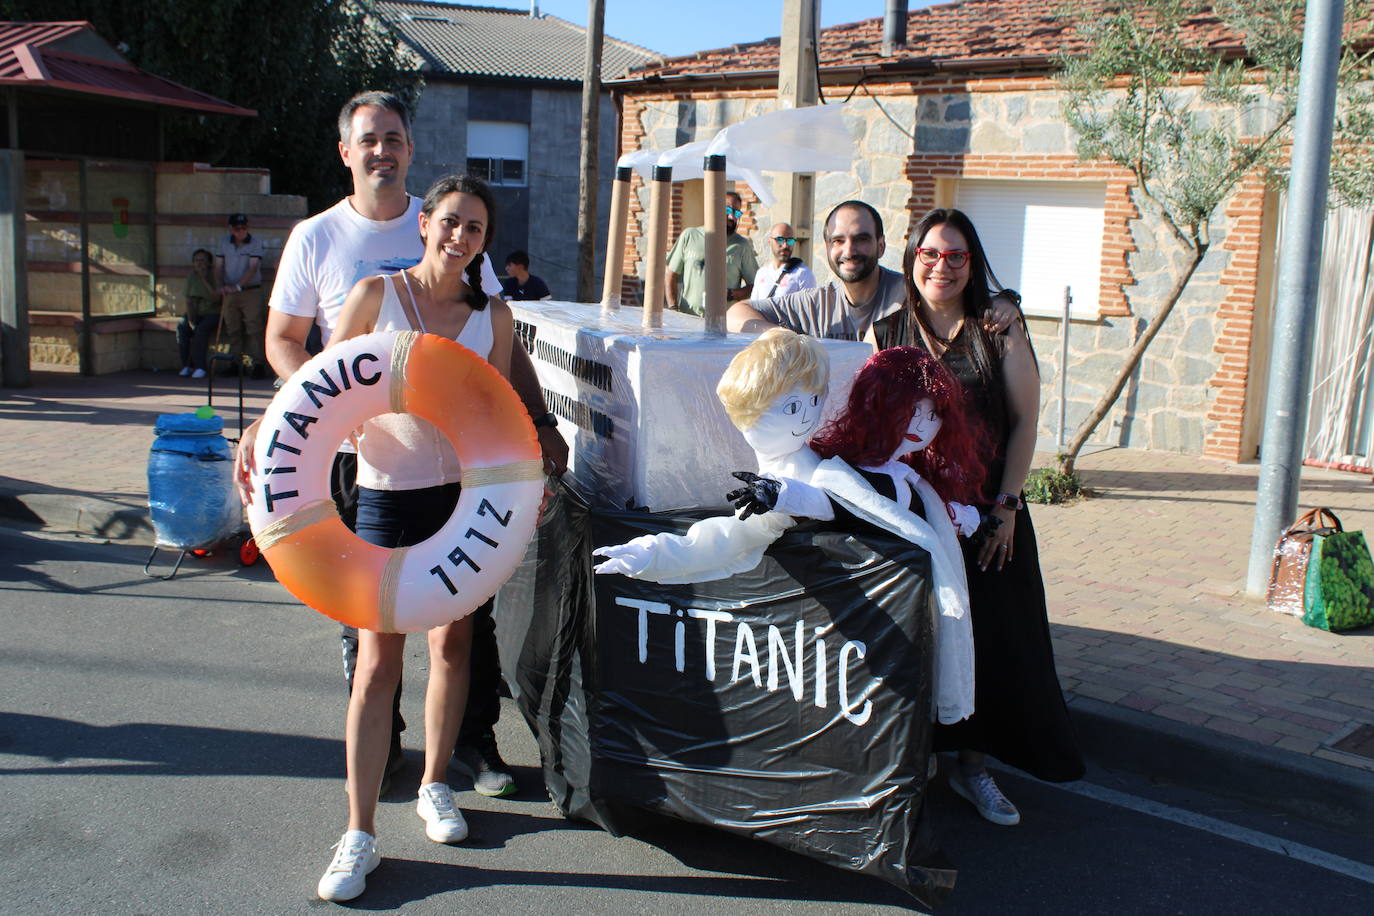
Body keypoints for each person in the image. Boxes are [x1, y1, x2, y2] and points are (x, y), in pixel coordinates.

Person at [236, 91, 564, 806]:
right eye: (368, 138)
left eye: (393, 136)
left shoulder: (482, 296)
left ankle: (456, 760)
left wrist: (543, 436)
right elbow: (306, 356)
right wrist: (280, 422)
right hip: (370, 469)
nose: (382, 148)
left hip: (459, 482)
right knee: (374, 643)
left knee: (458, 639)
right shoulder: (324, 245)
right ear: (347, 152)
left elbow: (509, 382)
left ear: (409, 149)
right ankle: (374, 781)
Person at [315, 174, 515, 902]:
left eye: (476, 230)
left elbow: (494, 415)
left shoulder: (492, 316)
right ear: (425, 222)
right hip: (383, 495)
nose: (460, 238)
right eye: (451, 222)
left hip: (457, 502)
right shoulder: (377, 296)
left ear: (484, 243)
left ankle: (435, 784)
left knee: (454, 645)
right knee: (376, 663)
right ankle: (358, 833)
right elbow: (323, 386)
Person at [872, 207, 1084, 825]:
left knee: (991, 639)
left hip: (990, 516)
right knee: (921, 640)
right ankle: (914, 765)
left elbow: (1024, 423)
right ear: (912, 259)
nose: (942, 265)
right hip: (913, 517)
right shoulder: (884, 335)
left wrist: (1007, 507)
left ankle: (974, 768)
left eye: (956, 255)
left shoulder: (1000, 330)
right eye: (931, 254)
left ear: (973, 263)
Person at [728, 200, 1019, 341]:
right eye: (838, 241)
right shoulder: (814, 304)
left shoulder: (910, 293)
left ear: (881, 245)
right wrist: (783, 338)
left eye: (861, 239)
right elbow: (736, 313)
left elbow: (959, 295)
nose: (849, 250)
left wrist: (1004, 299)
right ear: (827, 247)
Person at [666, 190, 759, 316]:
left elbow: (755, 285)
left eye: (736, 213)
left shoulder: (741, 246)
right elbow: (671, 274)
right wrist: (673, 308)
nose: (732, 217)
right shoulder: (690, 236)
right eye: (728, 210)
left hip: (722, 324)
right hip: (688, 319)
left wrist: (732, 294)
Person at [215, 213, 268, 379]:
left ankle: (257, 363)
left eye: (244, 227)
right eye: (237, 228)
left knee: (254, 327)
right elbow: (218, 266)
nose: (241, 231)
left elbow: (253, 267)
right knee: (233, 328)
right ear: (230, 229)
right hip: (230, 292)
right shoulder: (224, 243)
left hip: (250, 290)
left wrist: (238, 286)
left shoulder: (255, 242)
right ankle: (235, 362)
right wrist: (220, 286)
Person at [177, 248, 221, 379]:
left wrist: (204, 279)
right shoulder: (191, 277)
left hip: (213, 312)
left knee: (201, 331)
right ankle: (186, 365)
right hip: (196, 312)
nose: (199, 264)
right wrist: (191, 320)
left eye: (202, 261)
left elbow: (216, 298)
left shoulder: (215, 276)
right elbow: (189, 300)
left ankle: (200, 367)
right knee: (182, 327)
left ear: (209, 263)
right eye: (196, 261)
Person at [749, 221, 817, 300]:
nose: (785, 245)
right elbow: (753, 306)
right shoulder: (762, 273)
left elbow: (809, 308)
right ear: (769, 241)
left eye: (790, 241)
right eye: (780, 240)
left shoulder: (803, 274)